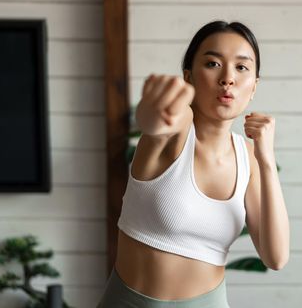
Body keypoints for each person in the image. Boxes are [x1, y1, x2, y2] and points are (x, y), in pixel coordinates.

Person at [97, 20, 290, 308]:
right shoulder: (176, 132)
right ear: (188, 78)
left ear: (253, 87)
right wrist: (151, 110)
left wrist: (266, 160)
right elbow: (156, 123)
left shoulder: (247, 157)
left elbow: (276, 257)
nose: (228, 78)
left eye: (241, 67)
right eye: (213, 64)